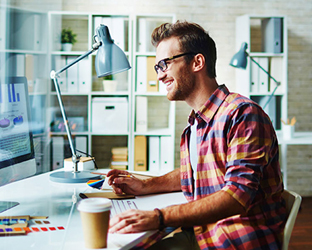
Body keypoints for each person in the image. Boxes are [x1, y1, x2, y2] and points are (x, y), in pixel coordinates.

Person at [107, 21, 286, 250]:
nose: (160, 76)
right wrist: (146, 185)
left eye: (165, 64)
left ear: (197, 62)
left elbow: (237, 194)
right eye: (157, 68)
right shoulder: (197, 121)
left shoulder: (243, 114)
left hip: (235, 239)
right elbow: (196, 170)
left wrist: (159, 217)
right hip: (204, 231)